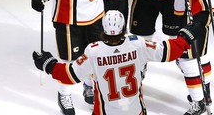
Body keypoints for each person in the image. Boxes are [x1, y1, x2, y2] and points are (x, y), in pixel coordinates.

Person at [32, 10, 203, 115]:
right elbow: (169, 51)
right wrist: (186, 36)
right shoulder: (137, 44)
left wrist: (48, 63)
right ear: (123, 29)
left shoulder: (94, 50)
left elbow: (69, 75)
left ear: (103, 29)